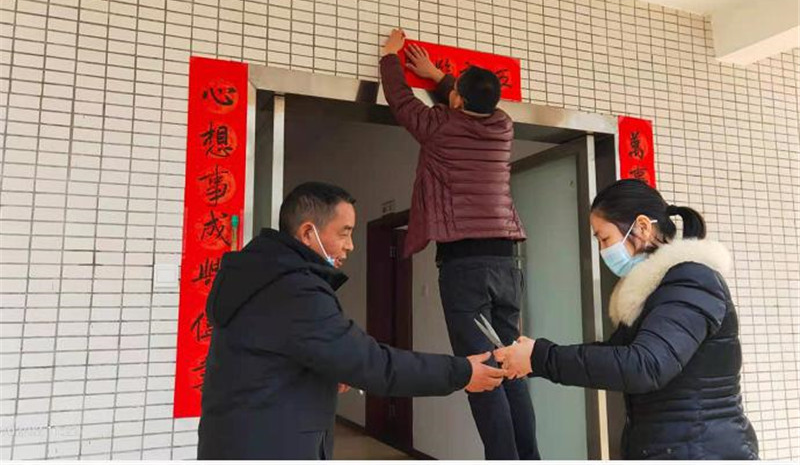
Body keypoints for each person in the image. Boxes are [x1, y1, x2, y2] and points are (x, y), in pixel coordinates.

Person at [197, 182, 505, 460]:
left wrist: (323, 373)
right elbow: (373, 364)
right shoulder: (294, 289)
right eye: (344, 233)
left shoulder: (262, 276)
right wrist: (461, 373)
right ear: (308, 233)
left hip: (240, 440)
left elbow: (272, 361)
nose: (350, 245)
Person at [494, 179, 759, 460]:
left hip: (702, 450)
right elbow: (618, 354)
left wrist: (540, 357)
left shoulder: (691, 281)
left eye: (605, 239)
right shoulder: (655, 290)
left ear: (642, 227)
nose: (602, 251)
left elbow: (645, 366)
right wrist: (534, 357)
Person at [379, 29, 539, 460]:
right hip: (506, 262)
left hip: (465, 265)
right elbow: (471, 105)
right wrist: (437, 76)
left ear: (456, 100)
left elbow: (401, 101)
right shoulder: (503, 126)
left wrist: (391, 57)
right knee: (511, 364)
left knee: (481, 371)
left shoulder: (439, 126)